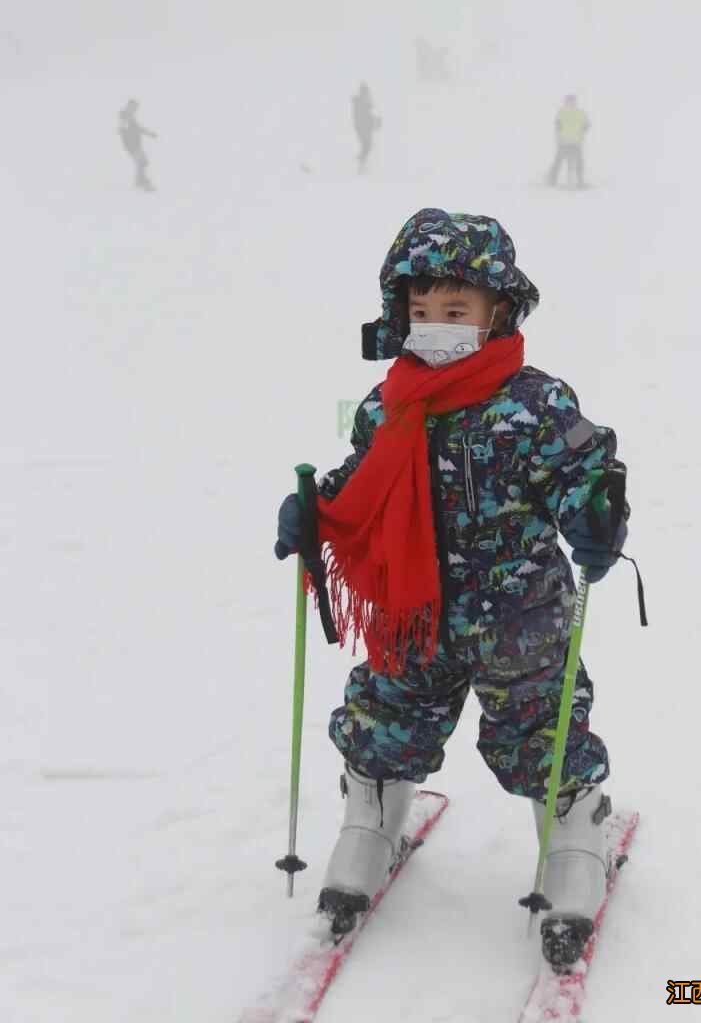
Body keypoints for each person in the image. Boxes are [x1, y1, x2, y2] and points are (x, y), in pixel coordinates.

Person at [274, 208, 631, 969]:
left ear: (497, 311)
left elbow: (581, 469)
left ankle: (572, 828)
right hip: (413, 616)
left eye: (455, 310)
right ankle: (372, 813)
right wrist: (318, 511)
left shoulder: (537, 403)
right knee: (386, 712)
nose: (434, 325)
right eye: (421, 310)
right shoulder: (387, 405)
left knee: (541, 728)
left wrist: (596, 510)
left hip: (520, 619)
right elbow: (360, 486)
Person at [548, 94, 590, 189]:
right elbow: (557, 125)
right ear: (566, 102)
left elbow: (586, 124)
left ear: (575, 102)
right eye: (568, 101)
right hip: (564, 141)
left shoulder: (580, 113)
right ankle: (552, 179)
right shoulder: (562, 112)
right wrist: (558, 137)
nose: (570, 103)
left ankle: (580, 181)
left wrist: (583, 131)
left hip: (576, 142)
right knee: (558, 161)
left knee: (579, 162)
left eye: (572, 101)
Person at [118, 99, 157, 191]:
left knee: (143, 162)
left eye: (136, 108)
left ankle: (139, 181)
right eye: (134, 108)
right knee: (141, 162)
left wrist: (149, 133)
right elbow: (122, 127)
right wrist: (122, 129)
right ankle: (142, 182)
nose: (135, 110)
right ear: (129, 106)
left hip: (135, 144)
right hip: (131, 144)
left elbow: (138, 128)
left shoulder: (131, 117)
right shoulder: (124, 115)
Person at [351, 82, 381, 173]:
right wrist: (373, 121)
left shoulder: (366, 102)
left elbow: (371, 114)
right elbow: (361, 116)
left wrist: (376, 121)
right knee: (367, 145)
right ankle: (361, 166)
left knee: (367, 146)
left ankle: (361, 163)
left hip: (366, 127)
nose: (367, 93)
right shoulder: (359, 102)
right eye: (365, 92)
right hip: (362, 128)